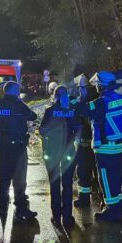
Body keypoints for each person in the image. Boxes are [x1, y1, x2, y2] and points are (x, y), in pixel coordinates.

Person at [83, 71, 122, 222]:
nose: (96, 88)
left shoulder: (100, 102)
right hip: (118, 147)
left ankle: (112, 211)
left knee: (106, 180)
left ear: (101, 86)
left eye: (96, 85)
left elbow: (81, 110)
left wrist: (76, 100)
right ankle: (117, 207)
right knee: (115, 177)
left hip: (105, 148)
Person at [0, 81, 38, 222]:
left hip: (1, 146)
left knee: (3, 175)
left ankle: (2, 203)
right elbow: (33, 116)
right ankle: (21, 208)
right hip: (18, 146)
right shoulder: (19, 105)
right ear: (16, 91)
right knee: (19, 179)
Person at [39, 85, 79, 227]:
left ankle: (56, 217)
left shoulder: (50, 111)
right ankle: (67, 217)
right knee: (67, 185)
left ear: (55, 96)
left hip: (52, 152)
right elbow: (78, 129)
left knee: (55, 185)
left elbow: (42, 130)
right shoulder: (72, 111)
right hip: (68, 152)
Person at [71, 75, 97, 208]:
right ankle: (93, 197)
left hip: (86, 143)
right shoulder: (95, 100)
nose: (80, 91)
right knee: (90, 171)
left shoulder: (88, 103)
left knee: (84, 171)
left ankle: (86, 198)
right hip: (93, 143)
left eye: (81, 88)